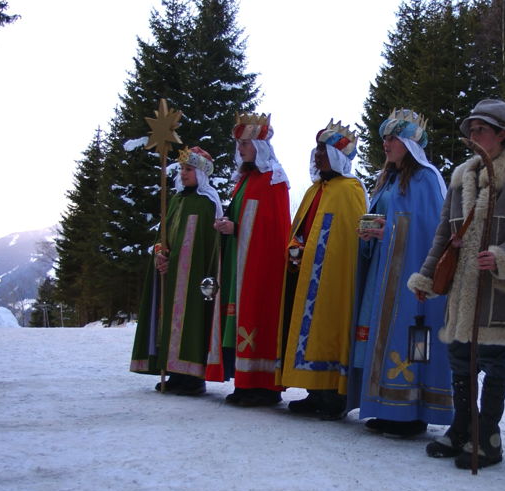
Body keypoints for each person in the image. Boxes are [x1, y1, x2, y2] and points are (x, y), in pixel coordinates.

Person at [408, 99, 505, 468]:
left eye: (481, 128)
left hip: (497, 289)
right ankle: (461, 427)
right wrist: (429, 274)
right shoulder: (460, 176)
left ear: (502, 134)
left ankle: (488, 435)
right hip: (461, 289)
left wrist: (502, 255)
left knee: (493, 361)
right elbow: (442, 234)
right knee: (459, 360)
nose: (473, 135)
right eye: (471, 129)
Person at [347, 109, 452, 438]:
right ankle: (385, 405)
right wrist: (371, 235)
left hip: (410, 278)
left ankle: (412, 412)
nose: (386, 143)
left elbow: (434, 230)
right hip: (383, 272)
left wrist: (388, 231)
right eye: (384, 138)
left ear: (409, 142)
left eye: (393, 138)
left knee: (413, 338)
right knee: (379, 336)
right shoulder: (388, 180)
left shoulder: (426, 177)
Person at [276, 120, 367, 420]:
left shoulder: (349, 190)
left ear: (339, 157)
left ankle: (333, 395)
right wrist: (296, 246)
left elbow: (349, 239)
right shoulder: (314, 191)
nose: (318, 156)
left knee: (329, 329)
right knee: (307, 332)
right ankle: (313, 391)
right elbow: (303, 228)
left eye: (324, 151)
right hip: (307, 274)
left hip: (333, 277)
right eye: (316, 150)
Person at [205, 113, 291, 407]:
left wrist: (237, 228)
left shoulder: (273, 180)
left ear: (260, 145)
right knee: (243, 319)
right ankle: (245, 382)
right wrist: (228, 225)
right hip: (241, 265)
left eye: (245, 143)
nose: (240, 149)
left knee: (260, 320)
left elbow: (273, 228)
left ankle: (264, 386)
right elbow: (244, 218)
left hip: (262, 268)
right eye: (238, 144)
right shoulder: (244, 181)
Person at [131, 146, 222, 396]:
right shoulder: (176, 201)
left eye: (189, 169)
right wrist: (160, 252)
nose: (183, 174)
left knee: (192, 321)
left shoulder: (207, 204)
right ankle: (173, 370)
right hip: (170, 276)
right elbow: (164, 235)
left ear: (202, 173)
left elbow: (210, 248)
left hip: (195, 279)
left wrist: (186, 265)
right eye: (181, 169)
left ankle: (192, 377)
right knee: (168, 321)